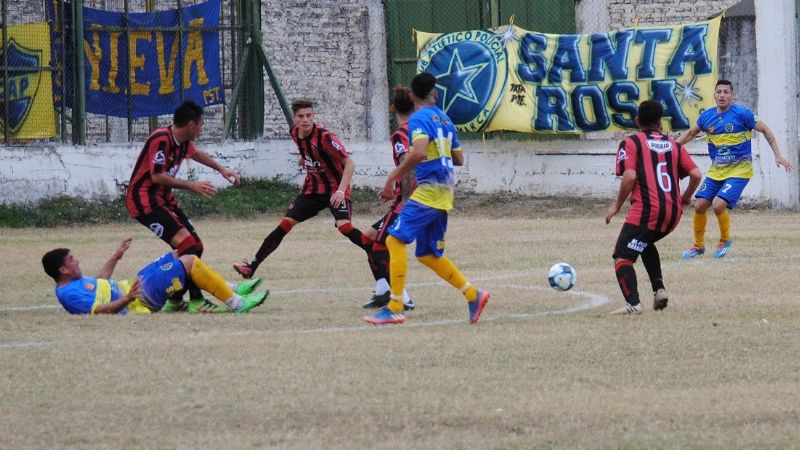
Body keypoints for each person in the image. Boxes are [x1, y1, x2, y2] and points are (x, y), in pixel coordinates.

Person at [363, 72, 490, 325]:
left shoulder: (419, 118)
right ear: (436, 94)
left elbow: (419, 152)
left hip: (429, 190)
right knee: (428, 254)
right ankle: (474, 294)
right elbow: (459, 159)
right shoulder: (445, 119)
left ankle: (395, 305)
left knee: (394, 241)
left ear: (412, 96)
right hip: (445, 192)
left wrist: (392, 178)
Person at [233, 98, 375, 279]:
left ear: (313, 116)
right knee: (284, 225)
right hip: (312, 191)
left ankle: (375, 249)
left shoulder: (325, 138)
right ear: (295, 119)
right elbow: (304, 148)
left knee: (345, 227)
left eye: (309, 115)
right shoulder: (294, 133)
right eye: (301, 116)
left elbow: (350, 164)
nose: (306, 120)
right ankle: (251, 267)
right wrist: (304, 157)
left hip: (334, 190)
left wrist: (340, 191)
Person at [125, 100, 242, 312]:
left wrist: (221, 169)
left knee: (196, 246)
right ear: (191, 124)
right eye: (201, 123)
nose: (202, 127)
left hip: (163, 199)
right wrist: (192, 185)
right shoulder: (161, 139)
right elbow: (157, 176)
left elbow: (197, 154)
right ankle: (197, 298)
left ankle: (177, 299)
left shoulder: (184, 141)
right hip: (144, 201)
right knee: (188, 246)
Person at [677, 80, 794, 259]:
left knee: (717, 205)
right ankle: (698, 246)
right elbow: (691, 133)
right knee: (700, 205)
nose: (722, 95)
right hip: (716, 171)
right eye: (719, 92)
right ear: (714, 94)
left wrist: (777, 155)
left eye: (726, 92)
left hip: (740, 171)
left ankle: (724, 240)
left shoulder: (742, 114)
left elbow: (766, 130)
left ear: (732, 95)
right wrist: (673, 147)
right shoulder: (707, 116)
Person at [605, 100, 702, 315]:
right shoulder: (674, 146)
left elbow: (629, 176)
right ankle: (659, 290)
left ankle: (633, 304)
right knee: (644, 242)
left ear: (637, 120)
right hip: (673, 212)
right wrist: (686, 197)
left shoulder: (631, 143)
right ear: (660, 123)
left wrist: (617, 205)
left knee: (622, 255)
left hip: (648, 210)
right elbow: (696, 174)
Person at [41, 238, 269, 315]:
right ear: (63, 270)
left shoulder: (75, 284)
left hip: (134, 285)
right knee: (188, 262)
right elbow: (99, 311)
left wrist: (116, 257)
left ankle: (231, 288)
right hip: (139, 300)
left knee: (179, 252)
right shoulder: (68, 294)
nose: (77, 261)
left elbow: (98, 282)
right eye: (72, 260)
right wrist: (128, 299)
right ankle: (236, 303)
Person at [362, 86, 416, 311]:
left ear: (392, 108)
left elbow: (407, 165)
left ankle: (401, 296)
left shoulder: (401, 133)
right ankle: (384, 290)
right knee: (368, 238)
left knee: (380, 247)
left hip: (408, 201)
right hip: (414, 198)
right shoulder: (419, 129)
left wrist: (403, 200)